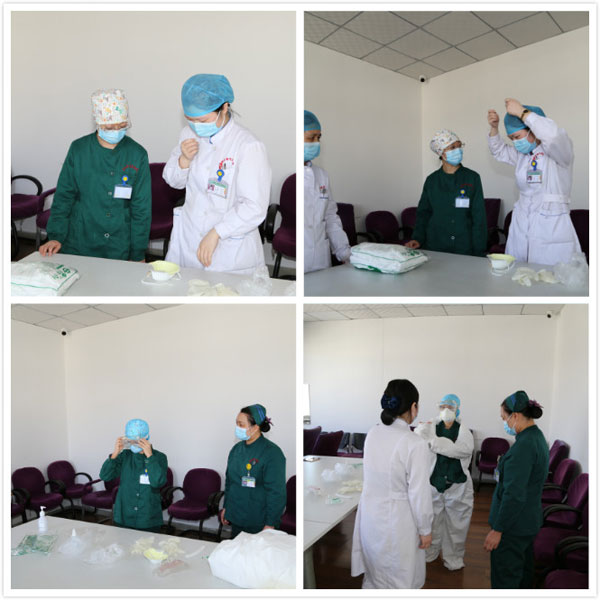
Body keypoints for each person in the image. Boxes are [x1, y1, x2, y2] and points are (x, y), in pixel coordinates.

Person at [163, 74, 271, 275]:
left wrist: (216, 232)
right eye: (190, 119)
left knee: (225, 293)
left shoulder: (248, 145)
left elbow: (254, 206)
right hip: (189, 238)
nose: (196, 125)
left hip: (230, 246)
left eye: (203, 120)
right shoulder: (187, 134)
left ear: (224, 107)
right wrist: (183, 161)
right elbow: (173, 181)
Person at [40, 89, 151, 261]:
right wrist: (56, 235)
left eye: (122, 126)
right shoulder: (79, 150)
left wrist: (138, 252)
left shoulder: (137, 154)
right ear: (98, 123)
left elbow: (141, 208)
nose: (116, 131)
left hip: (118, 242)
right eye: (109, 127)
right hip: (80, 239)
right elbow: (64, 196)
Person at [351, 379, 433, 588]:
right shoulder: (414, 443)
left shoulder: (373, 432)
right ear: (413, 407)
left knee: (374, 574)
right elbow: (419, 493)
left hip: (370, 517)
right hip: (398, 521)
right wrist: (425, 529)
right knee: (400, 578)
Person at [487, 99, 581, 265]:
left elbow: (552, 136)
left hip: (551, 227)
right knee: (519, 274)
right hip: (521, 225)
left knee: (550, 277)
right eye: (511, 138)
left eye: (517, 137)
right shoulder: (523, 156)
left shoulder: (559, 153)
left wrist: (522, 113)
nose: (515, 142)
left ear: (534, 130)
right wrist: (494, 128)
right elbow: (499, 151)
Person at [483, 391, 549, 588]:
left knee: (506, 578)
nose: (504, 423)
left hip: (513, 527)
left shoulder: (523, 448)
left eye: (504, 418)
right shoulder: (536, 437)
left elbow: (514, 495)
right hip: (527, 521)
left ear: (516, 416)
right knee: (522, 574)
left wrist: (498, 529)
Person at [415, 394, 474, 571]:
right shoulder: (430, 426)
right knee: (433, 522)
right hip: (434, 483)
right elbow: (418, 439)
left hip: (457, 486)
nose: (446, 410)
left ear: (458, 409)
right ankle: (430, 552)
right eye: (442, 406)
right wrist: (426, 435)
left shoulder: (463, 431)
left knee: (457, 525)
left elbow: (461, 450)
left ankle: (453, 557)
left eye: (451, 407)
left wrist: (433, 442)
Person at [406, 129, 487, 256]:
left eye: (459, 146)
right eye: (453, 147)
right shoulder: (432, 180)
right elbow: (423, 213)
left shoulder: (472, 178)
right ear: (441, 153)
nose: (458, 150)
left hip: (464, 246)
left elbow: (479, 216)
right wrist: (417, 238)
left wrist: (479, 249)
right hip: (436, 245)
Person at [220, 404, 286, 537]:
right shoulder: (236, 449)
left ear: (255, 427)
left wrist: (270, 523)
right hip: (236, 517)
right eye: (236, 424)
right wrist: (227, 508)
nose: (237, 428)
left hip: (259, 521)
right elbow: (229, 482)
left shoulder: (272, 453)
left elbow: (276, 492)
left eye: (241, 424)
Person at [100, 419, 168, 532]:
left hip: (147, 517)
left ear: (146, 437)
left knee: (148, 543)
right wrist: (115, 454)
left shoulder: (159, 457)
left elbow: (157, 482)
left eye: (136, 440)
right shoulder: (125, 455)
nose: (133, 443)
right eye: (129, 439)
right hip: (124, 515)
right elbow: (105, 476)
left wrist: (150, 457)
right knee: (123, 542)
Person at [304, 109, 351, 273]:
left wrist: (343, 251)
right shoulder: (292, 176)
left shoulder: (322, 175)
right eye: (311, 138)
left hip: (320, 257)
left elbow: (330, 216)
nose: (316, 143)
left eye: (319, 138)